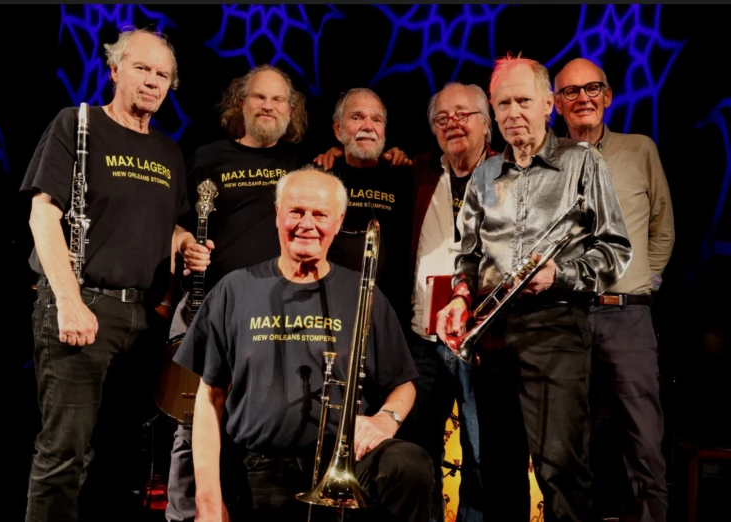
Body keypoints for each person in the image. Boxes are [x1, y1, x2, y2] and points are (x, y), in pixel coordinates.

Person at [173, 168, 435, 522]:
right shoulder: (234, 289)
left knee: (409, 465)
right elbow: (208, 398)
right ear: (277, 214)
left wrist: (386, 421)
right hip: (259, 468)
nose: (306, 224)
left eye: (320, 214)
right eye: (296, 211)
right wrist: (207, 502)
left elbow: (403, 384)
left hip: (345, 463)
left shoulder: (363, 293)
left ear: (338, 221)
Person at [436, 53, 632, 522]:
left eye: (523, 101)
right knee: (497, 472)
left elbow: (615, 251)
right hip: (492, 335)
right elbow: (467, 256)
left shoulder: (583, 162)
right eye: (503, 104)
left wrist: (558, 274)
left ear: (548, 104)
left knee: (561, 470)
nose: (513, 113)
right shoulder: (483, 174)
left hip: (556, 328)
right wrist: (460, 297)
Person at [20, 27, 189, 522]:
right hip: (83, 307)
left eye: (163, 74)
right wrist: (69, 301)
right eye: (142, 68)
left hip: (143, 320)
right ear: (114, 70)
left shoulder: (169, 152)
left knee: (122, 460)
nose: (153, 81)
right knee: (64, 456)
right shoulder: (77, 123)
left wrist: (185, 243)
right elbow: (42, 214)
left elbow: (165, 226)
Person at [164, 63, 308, 522]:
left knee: (261, 420)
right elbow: (174, 224)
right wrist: (184, 244)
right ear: (241, 104)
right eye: (259, 97)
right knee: (194, 420)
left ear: (291, 110)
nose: (268, 106)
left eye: (278, 99)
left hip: (277, 312)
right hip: (209, 308)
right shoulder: (207, 157)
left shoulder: (300, 165)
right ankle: (187, 514)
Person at [553, 57, 675, 522]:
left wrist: (644, 280)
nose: (583, 98)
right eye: (570, 91)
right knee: (568, 444)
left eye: (592, 88)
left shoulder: (640, 148)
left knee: (644, 443)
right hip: (565, 315)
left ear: (607, 96)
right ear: (556, 104)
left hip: (628, 315)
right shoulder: (547, 159)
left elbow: (662, 226)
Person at [394, 82, 498, 522]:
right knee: (418, 449)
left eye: (463, 114)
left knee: (482, 451)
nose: (452, 123)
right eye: (442, 118)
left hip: (483, 338)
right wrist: (334, 155)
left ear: (487, 124)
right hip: (422, 338)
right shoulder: (419, 171)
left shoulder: (509, 174)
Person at [324, 88, 416, 329]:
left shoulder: (405, 175)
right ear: (337, 129)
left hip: (391, 319)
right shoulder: (322, 176)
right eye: (357, 117)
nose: (368, 126)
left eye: (377, 120)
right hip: (332, 315)